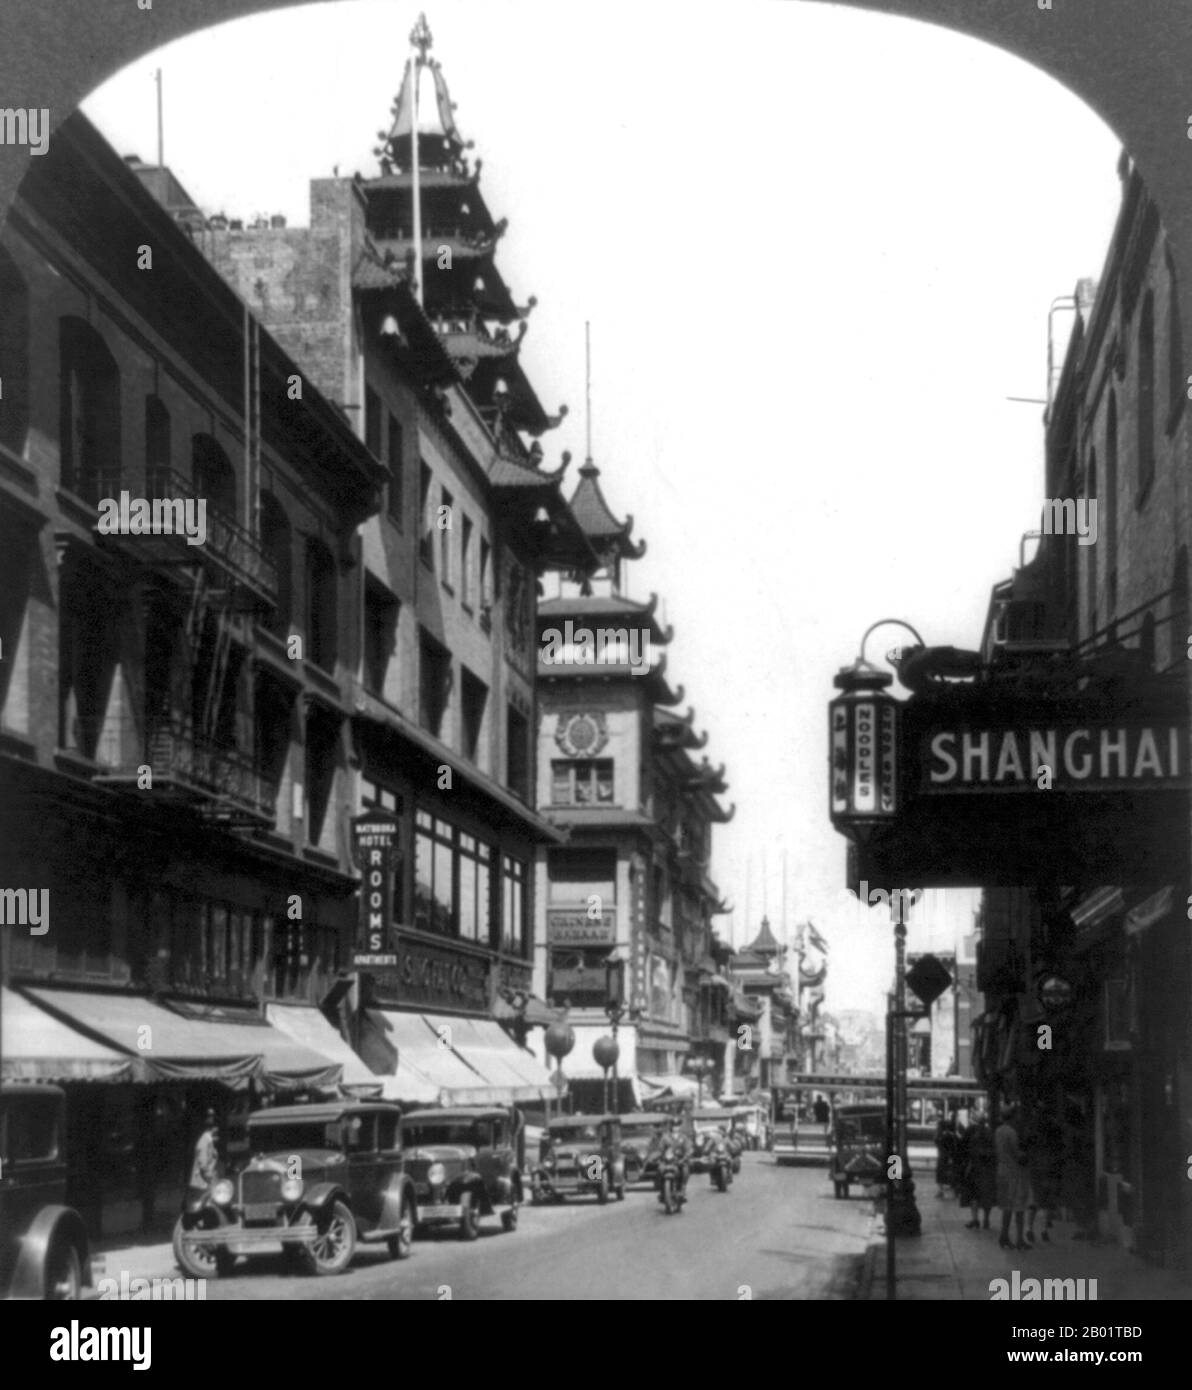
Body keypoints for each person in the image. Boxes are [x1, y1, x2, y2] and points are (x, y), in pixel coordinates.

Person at [995, 1104, 1031, 1251]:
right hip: (1014, 1172)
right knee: (1019, 1206)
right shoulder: (1012, 1133)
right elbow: (1017, 1154)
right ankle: (1020, 1239)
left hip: (1002, 1170)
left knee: (1006, 1206)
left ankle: (1004, 1235)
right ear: (1013, 1116)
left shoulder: (998, 1131)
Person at [961, 1115, 997, 1230]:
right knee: (987, 1196)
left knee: (974, 1195)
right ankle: (986, 1218)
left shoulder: (973, 1134)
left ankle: (975, 1219)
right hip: (987, 1170)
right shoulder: (990, 1134)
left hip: (975, 1169)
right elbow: (995, 1152)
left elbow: (967, 1150)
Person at [188, 1108, 222, 1198]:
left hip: (207, 1182)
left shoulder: (208, 1141)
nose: (218, 1132)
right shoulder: (205, 1141)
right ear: (212, 1129)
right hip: (202, 1185)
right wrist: (211, 1180)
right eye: (216, 1129)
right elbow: (203, 1165)